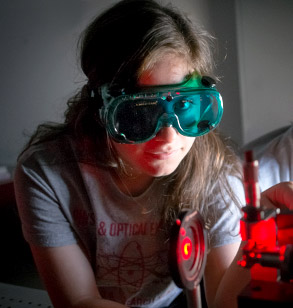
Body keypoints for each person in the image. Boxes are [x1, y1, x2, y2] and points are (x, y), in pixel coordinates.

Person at [13, 0, 293, 307]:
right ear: (101, 111)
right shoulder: (47, 172)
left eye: (185, 106)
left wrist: (260, 234)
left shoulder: (215, 172)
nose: (170, 136)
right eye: (141, 113)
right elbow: (78, 300)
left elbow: (221, 301)